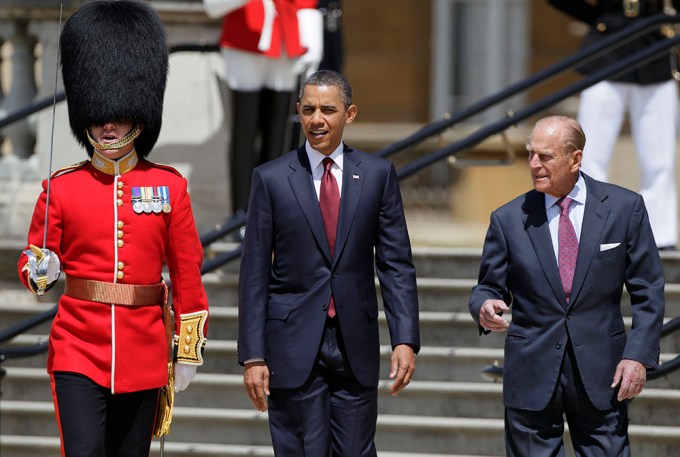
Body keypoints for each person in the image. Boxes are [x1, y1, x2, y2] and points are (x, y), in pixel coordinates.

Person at [17, 1, 209, 456]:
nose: (107, 124)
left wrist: (187, 348)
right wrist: (39, 269)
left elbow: (187, 272)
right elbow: (31, 259)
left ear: (138, 116)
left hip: (144, 350)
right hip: (77, 348)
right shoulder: (62, 187)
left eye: (118, 114)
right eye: (100, 115)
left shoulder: (168, 186)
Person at [237, 70, 420, 456]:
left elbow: (395, 264)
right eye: (308, 110)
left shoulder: (377, 175)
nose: (316, 119)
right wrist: (253, 355)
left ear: (349, 114)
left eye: (327, 110)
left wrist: (404, 338)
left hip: (354, 343)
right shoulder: (270, 179)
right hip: (292, 344)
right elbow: (253, 274)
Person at [469, 115, 665, 456]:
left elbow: (648, 290)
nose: (533, 164)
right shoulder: (508, 219)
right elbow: (488, 287)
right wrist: (485, 306)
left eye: (545, 156)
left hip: (603, 373)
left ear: (575, 159)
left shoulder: (624, 208)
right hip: (531, 372)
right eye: (531, 154)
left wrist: (637, 356)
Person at [548, 0, 680, 250]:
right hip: (607, 44)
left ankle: (659, 237)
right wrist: (597, 17)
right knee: (590, 154)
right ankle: (586, 231)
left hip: (655, 44)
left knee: (659, 158)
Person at [203, 0, 324, 219]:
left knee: (279, 132)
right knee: (244, 132)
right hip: (244, 37)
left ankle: (274, 211)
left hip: (286, 38)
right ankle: (241, 212)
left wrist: (313, 39)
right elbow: (212, 5)